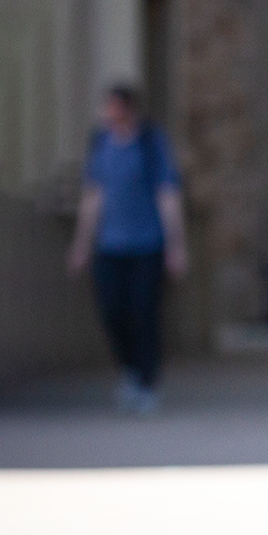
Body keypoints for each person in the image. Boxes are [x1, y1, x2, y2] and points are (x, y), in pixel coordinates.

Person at [66, 85, 188, 415]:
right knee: (112, 312)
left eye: (115, 109)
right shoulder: (101, 144)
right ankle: (130, 370)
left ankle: (148, 382)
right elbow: (93, 197)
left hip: (147, 246)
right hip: (109, 246)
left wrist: (175, 245)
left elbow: (167, 194)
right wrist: (82, 244)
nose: (109, 115)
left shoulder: (150, 143)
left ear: (129, 110)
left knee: (144, 313)